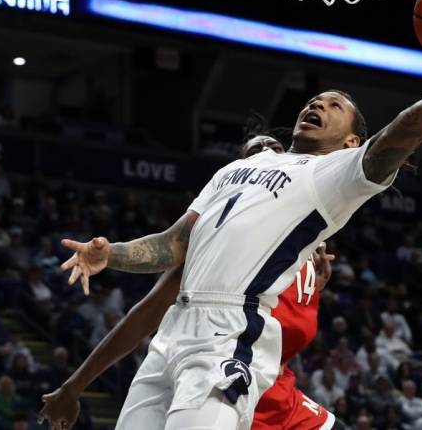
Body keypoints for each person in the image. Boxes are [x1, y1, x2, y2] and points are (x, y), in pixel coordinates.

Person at [52, 0, 422, 429]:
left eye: (335, 107)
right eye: (317, 100)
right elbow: (174, 243)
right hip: (170, 336)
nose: (318, 105)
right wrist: (110, 254)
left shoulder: (333, 175)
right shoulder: (238, 167)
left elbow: (405, 131)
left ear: (352, 143)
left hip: (229, 336)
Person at [40, 136, 342, 429]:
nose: (265, 160)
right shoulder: (216, 245)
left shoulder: (303, 239)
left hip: (277, 385)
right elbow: (145, 316)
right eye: (253, 156)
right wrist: (74, 385)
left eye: (274, 153)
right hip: (239, 382)